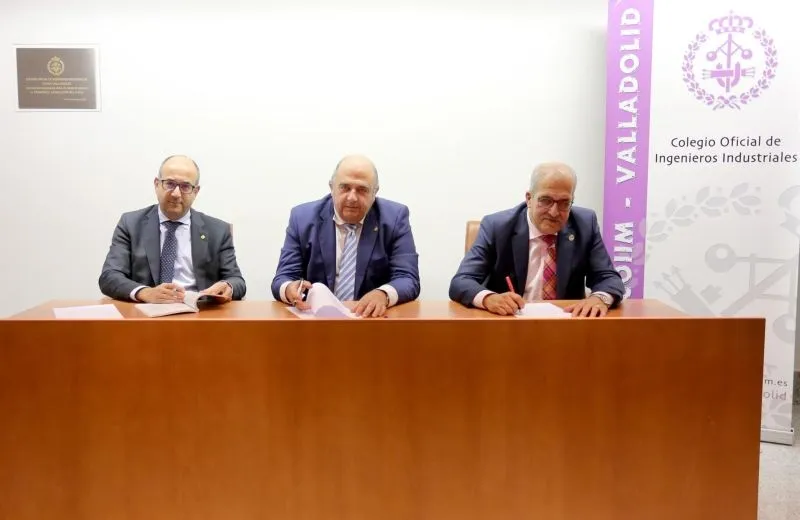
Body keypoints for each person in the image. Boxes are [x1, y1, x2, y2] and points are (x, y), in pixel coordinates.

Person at [449, 162, 623, 317]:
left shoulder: (584, 224)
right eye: (545, 200)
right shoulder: (497, 226)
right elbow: (461, 281)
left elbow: (608, 278)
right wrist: (489, 298)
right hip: (509, 324)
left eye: (564, 203)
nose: (554, 212)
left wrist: (599, 298)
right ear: (529, 198)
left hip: (565, 326)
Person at [271, 154, 420, 318]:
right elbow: (283, 277)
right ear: (332, 187)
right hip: (317, 321)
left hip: (371, 320)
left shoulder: (395, 218)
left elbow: (408, 278)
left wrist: (383, 294)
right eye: (344, 187)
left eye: (362, 190)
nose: (352, 197)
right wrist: (289, 288)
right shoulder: (302, 218)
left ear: (375, 192)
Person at [99, 155, 246, 303]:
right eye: (169, 184)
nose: (176, 194)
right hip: (147, 310)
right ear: (157, 184)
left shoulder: (218, 230)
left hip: (199, 310)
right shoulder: (130, 224)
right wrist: (145, 292)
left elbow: (237, 280)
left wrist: (228, 285)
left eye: (185, 186)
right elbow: (109, 276)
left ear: (195, 191)